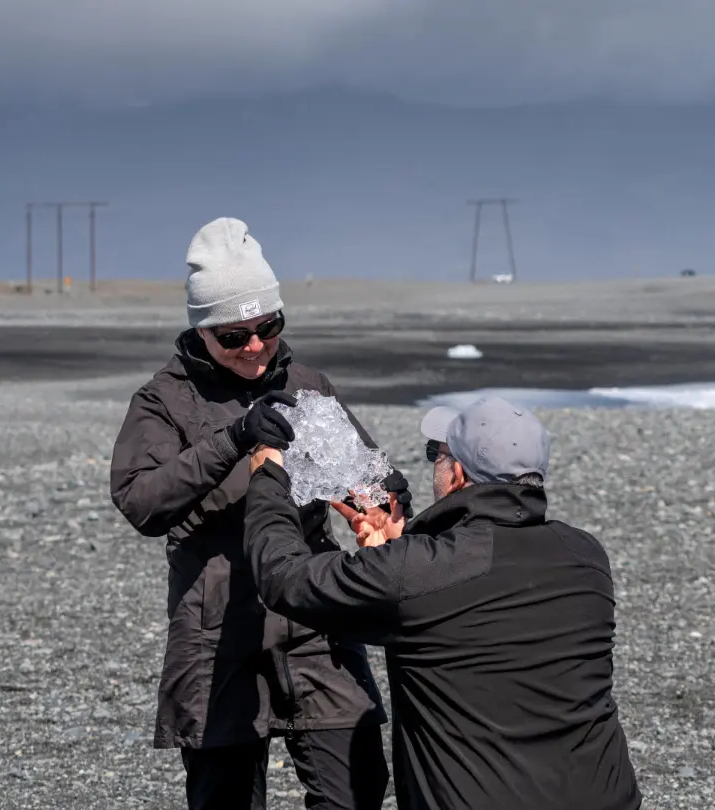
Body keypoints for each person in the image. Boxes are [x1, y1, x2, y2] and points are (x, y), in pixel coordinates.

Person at [109, 217, 412, 810]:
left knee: (357, 788)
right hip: (216, 625)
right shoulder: (163, 399)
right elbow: (141, 502)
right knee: (224, 798)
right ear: (202, 332)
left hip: (314, 613)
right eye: (234, 334)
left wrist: (384, 500)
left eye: (268, 327)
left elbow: (368, 474)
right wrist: (233, 441)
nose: (254, 346)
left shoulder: (307, 385)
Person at [241, 395, 642, 810]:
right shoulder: (585, 555)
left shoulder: (418, 572)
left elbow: (284, 578)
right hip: (604, 795)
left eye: (437, 453)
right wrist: (402, 547)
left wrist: (269, 472)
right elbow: (469, 602)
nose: (433, 460)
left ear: (458, 476)